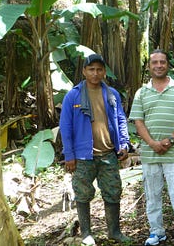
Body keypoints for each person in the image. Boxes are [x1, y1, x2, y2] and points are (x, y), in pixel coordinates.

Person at [59, 53, 131, 245]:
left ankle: (114, 232)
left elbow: (121, 119)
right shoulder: (73, 95)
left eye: (99, 69)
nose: (95, 73)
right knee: (82, 193)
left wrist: (124, 143)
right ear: (84, 71)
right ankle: (86, 234)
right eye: (91, 69)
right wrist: (69, 155)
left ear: (104, 72)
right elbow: (65, 128)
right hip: (83, 156)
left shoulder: (111, 94)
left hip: (108, 153)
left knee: (113, 191)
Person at [129, 49, 174, 246]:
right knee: (152, 195)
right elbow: (138, 122)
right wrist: (152, 143)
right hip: (150, 154)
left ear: (168, 65)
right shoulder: (142, 92)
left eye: (162, 62)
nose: (159, 65)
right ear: (149, 67)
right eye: (155, 62)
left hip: (173, 152)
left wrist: (171, 140)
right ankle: (156, 232)